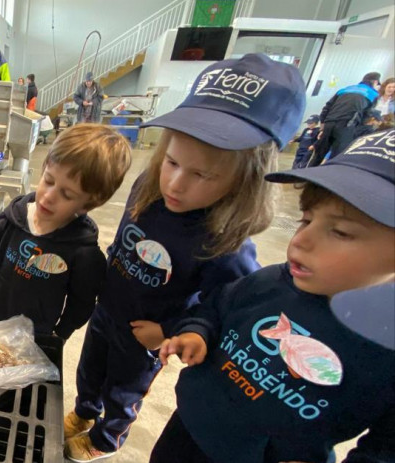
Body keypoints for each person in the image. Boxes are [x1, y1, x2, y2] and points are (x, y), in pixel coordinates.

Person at [63, 53, 307, 462]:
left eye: (202, 175)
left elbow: (223, 310)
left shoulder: (226, 243)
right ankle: (86, 410)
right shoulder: (148, 186)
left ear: (246, 179)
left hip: (147, 333)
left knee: (124, 390)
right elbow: (124, 238)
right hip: (108, 309)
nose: (176, 182)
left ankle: (107, 438)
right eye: (172, 162)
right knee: (90, 370)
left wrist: (170, 331)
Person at [153, 129, 395, 463]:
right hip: (189, 427)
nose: (300, 241)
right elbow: (217, 308)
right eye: (306, 219)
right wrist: (198, 331)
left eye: (339, 232)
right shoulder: (272, 281)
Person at [0, 124, 131, 340]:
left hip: (34, 338)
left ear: (89, 203)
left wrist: (61, 333)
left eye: (66, 194)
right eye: (48, 181)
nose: (48, 197)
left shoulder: (84, 254)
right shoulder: (16, 214)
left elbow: (82, 303)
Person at [308, 71, 380, 167]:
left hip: (329, 123)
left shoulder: (345, 89)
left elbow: (327, 107)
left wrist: (322, 127)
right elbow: (366, 115)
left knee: (318, 155)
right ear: (375, 82)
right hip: (346, 126)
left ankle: (304, 179)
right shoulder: (373, 94)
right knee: (336, 157)